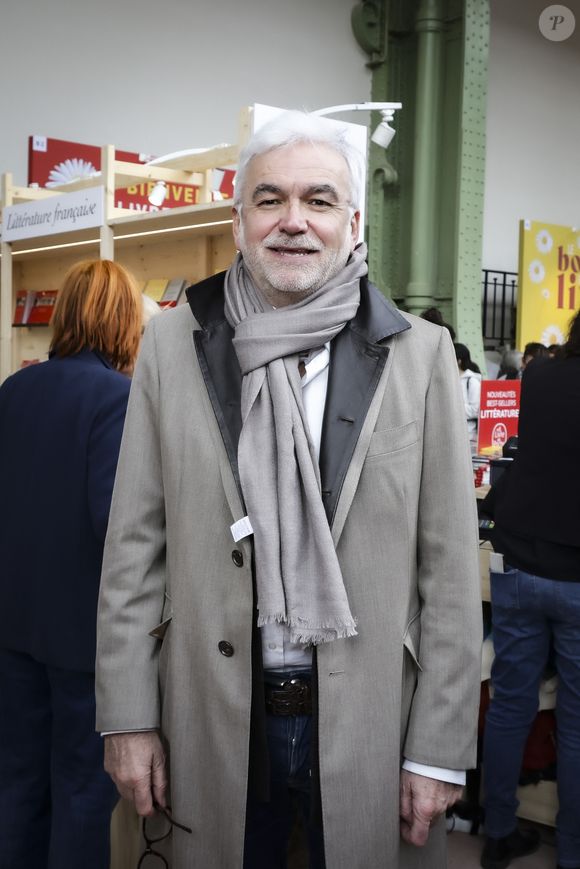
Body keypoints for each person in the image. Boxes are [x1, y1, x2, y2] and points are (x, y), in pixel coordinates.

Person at [95, 110, 482, 869]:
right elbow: (134, 547)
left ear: (352, 221)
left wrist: (438, 751)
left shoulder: (419, 354)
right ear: (238, 222)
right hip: (205, 714)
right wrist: (127, 717)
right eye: (269, 199)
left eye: (319, 200)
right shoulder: (175, 343)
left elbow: (447, 570)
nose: (293, 222)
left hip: (371, 717)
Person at [0, 260, 143, 869]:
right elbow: (117, 526)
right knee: (84, 798)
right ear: (124, 320)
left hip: (12, 629)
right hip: (85, 643)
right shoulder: (118, 397)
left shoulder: (14, 389)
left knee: (17, 788)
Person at [480, 310, 580, 869]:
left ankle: (496, 834)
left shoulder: (539, 375)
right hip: (576, 575)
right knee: (576, 721)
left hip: (517, 562)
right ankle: (571, 853)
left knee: (509, 703)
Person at [454, 342, 482, 454]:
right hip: (452, 431)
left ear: (459, 361)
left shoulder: (472, 381)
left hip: (468, 435)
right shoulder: (451, 378)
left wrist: (453, 407)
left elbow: (475, 410)